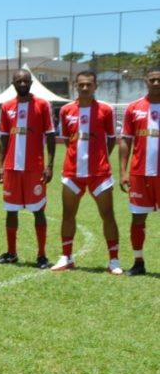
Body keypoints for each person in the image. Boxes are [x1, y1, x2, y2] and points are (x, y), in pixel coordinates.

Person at [53, 71, 122, 274]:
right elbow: (67, 140)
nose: (85, 88)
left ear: (95, 86)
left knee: (108, 215)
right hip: (72, 173)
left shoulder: (106, 110)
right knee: (68, 214)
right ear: (76, 85)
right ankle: (66, 257)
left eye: (89, 85)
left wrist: (100, 159)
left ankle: (114, 260)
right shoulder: (66, 110)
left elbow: (111, 139)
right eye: (81, 84)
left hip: (99, 173)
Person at [0, 69, 56, 268]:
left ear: (31, 83)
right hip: (12, 168)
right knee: (11, 211)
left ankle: (41, 255)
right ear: (13, 83)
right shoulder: (7, 106)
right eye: (18, 80)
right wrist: (0, 166)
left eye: (25, 80)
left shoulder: (42, 105)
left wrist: (49, 165)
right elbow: (3, 137)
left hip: (34, 168)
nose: (22, 83)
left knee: (38, 210)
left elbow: (50, 136)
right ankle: (11, 252)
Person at [118, 66, 160, 276]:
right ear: (146, 80)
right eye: (151, 79)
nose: (155, 83)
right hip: (139, 174)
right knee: (137, 218)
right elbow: (126, 140)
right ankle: (138, 261)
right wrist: (123, 171)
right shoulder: (134, 108)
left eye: (158, 79)